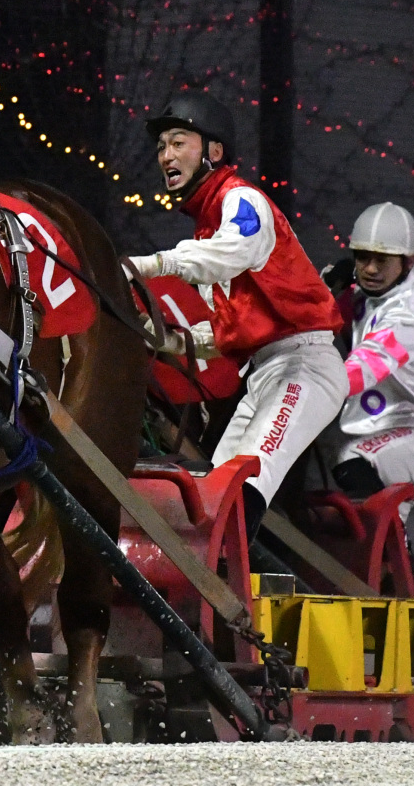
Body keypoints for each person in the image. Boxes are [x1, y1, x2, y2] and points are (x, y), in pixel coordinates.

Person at [126, 93, 347, 537]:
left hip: (304, 366)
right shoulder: (210, 224)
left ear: (214, 151)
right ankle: (219, 575)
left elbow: (230, 253)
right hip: (266, 370)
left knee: (241, 488)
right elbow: (233, 329)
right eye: (162, 147)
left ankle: (233, 579)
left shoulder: (242, 199)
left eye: (178, 142)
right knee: (213, 497)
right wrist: (170, 340)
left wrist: (150, 265)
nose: (165, 156)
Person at [322, 201, 414, 582]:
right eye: (363, 258)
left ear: (407, 262)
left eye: (381, 260)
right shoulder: (372, 295)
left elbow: (359, 370)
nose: (370, 269)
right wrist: (325, 287)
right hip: (395, 428)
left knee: (352, 461)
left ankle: (403, 556)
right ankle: (391, 567)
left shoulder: (407, 316)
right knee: (344, 467)